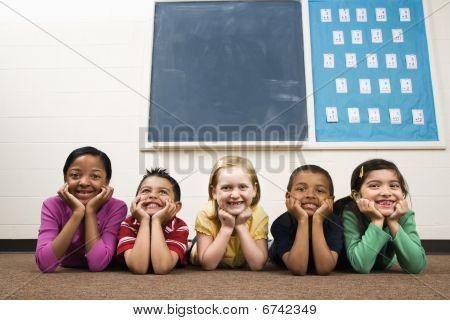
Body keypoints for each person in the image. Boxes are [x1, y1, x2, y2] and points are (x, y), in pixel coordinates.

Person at [35, 146, 127, 272]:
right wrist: (77, 213)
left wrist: (90, 211)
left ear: (107, 182)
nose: (83, 182)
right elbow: (45, 264)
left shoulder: (117, 207)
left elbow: (97, 264)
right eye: (75, 175)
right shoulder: (52, 205)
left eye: (95, 176)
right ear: (65, 178)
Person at [335, 159, 426, 274]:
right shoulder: (350, 213)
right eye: (374, 186)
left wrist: (393, 222)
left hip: (384, 264)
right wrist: (377, 220)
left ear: (402, 193)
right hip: (346, 265)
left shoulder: (404, 214)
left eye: (393, 186)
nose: (386, 192)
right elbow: (361, 265)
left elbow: (415, 266)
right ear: (357, 196)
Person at [190, 156, 268, 270]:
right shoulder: (206, 213)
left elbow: (257, 265)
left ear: (254, 190)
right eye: (226, 188)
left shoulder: (259, 214)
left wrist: (240, 226)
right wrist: (226, 228)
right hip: (206, 244)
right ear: (214, 192)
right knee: (191, 247)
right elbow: (208, 265)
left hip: (239, 252)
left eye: (242, 187)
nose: (235, 195)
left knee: (269, 250)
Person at [269, 165, 343, 275]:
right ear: (288, 197)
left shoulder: (335, 223)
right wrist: (302, 220)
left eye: (319, 190)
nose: (310, 195)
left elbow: (324, 269)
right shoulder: (280, 224)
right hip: (277, 253)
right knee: (269, 248)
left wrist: (317, 220)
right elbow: (298, 269)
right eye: (301, 189)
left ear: (331, 200)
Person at [116, 168, 188, 274]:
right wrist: (144, 220)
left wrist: (156, 221)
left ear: (176, 207)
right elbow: (138, 267)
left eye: (163, 192)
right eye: (146, 190)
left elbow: (162, 267)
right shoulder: (128, 224)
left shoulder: (179, 226)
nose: (152, 195)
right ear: (136, 200)